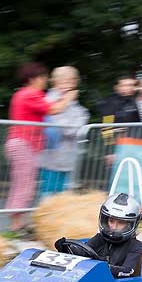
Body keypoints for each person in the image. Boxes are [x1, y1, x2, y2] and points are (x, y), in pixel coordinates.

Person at [4, 62, 78, 234]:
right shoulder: (30, 94)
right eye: (43, 77)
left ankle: (18, 223)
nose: (45, 81)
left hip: (21, 143)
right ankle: (16, 226)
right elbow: (54, 109)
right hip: (24, 144)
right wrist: (69, 97)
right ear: (32, 79)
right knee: (25, 185)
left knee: (23, 184)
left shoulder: (23, 94)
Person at [54, 192, 142, 278]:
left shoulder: (135, 246)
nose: (114, 227)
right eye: (111, 221)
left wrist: (100, 267)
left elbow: (127, 271)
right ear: (105, 220)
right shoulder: (99, 239)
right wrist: (65, 249)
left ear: (130, 225)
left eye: (121, 223)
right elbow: (82, 254)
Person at [37, 66, 90, 198]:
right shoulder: (49, 100)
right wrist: (75, 126)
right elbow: (66, 128)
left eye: (71, 82)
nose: (67, 86)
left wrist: (74, 126)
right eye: (63, 82)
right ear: (55, 82)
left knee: (63, 193)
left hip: (68, 156)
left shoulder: (74, 104)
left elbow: (82, 121)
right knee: (48, 192)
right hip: (51, 156)